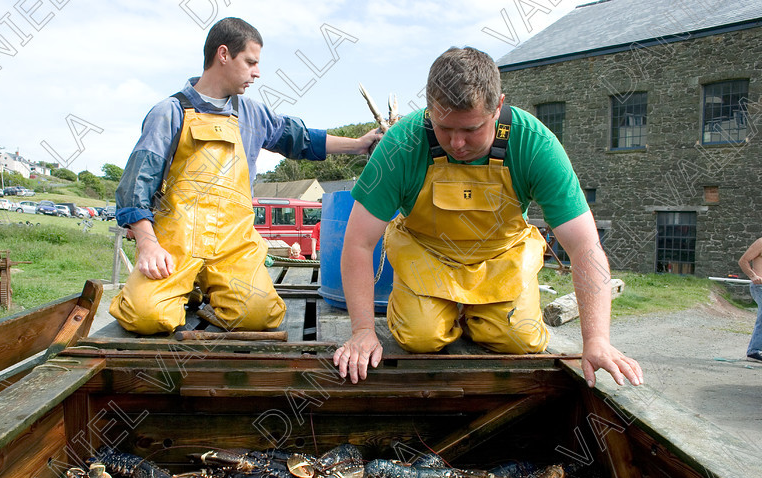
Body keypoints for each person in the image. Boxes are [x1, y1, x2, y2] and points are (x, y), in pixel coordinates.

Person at [333, 47, 643, 389]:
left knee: (520, 339)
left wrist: (596, 340)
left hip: (501, 257)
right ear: (429, 110)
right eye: (443, 127)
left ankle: (476, 316)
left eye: (471, 129)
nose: (457, 143)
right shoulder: (400, 145)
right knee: (419, 336)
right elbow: (359, 242)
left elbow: (584, 246)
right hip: (426, 256)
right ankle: (441, 311)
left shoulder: (535, 145)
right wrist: (362, 331)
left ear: (498, 107)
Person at [109, 17, 380, 335]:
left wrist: (360, 145)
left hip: (233, 243)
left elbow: (302, 138)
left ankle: (207, 294)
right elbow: (135, 184)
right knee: (146, 317)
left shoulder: (254, 115)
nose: (257, 72)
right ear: (223, 54)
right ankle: (180, 288)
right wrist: (148, 245)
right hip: (175, 244)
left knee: (259, 315)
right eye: (251, 61)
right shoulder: (169, 112)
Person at [738, 237, 762, 362]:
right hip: (760, 286)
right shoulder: (761, 243)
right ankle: (754, 351)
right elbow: (743, 261)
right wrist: (753, 276)